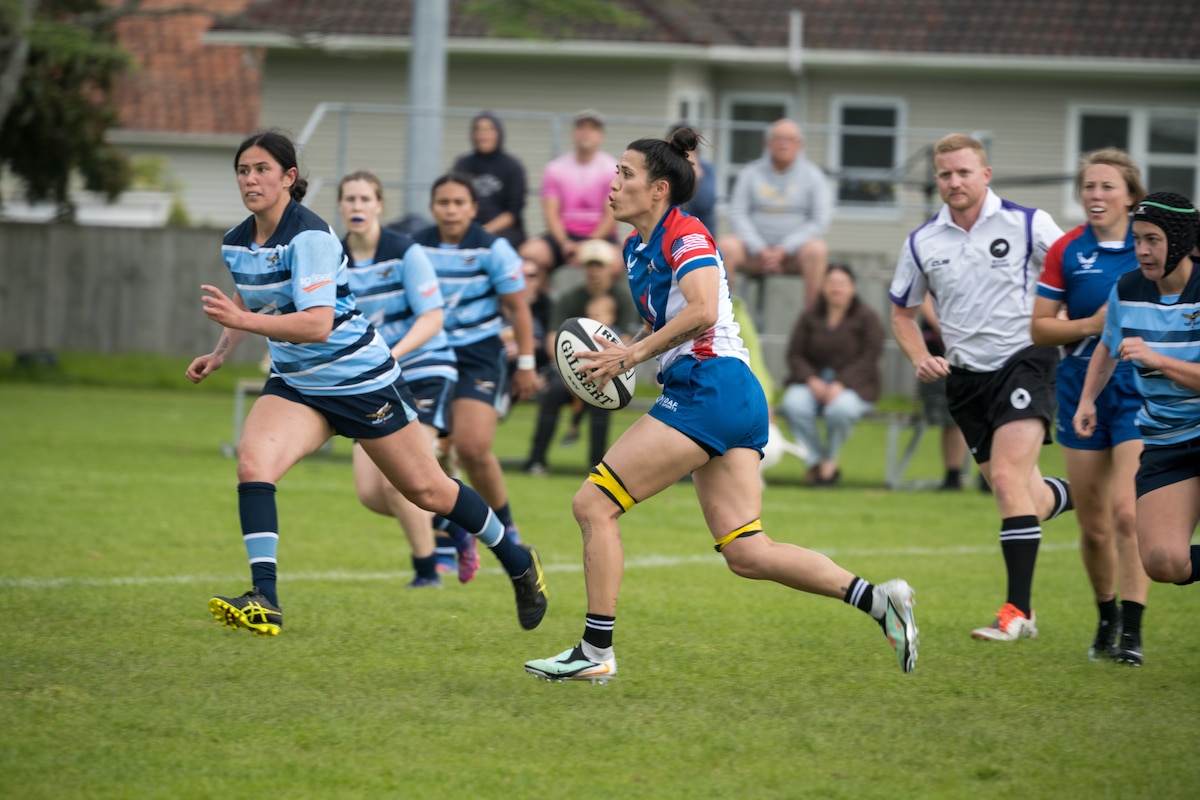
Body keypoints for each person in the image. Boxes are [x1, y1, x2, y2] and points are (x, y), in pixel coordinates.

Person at [524, 127, 918, 684]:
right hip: (729, 395)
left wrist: (632, 355)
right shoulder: (637, 248)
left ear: (659, 189)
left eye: (625, 174)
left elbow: (705, 308)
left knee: (594, 505)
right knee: (747, 551)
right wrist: (627, 349)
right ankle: (879, 601)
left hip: (709, 388)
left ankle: (594, 653)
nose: (612, 185)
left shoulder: (686, 234)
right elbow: (666, 317)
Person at [187, 131, 546, 635]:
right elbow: (250, 299)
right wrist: (220, 352)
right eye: (243, 170)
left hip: (361, 381)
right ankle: (264, 596)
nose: (250, 179)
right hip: (298, 385)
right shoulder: (236, 242)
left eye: (262, 169)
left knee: (428, 490)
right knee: (254, 465)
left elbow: (316, 323)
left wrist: (242, 327)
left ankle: (517, 559)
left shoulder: (310, 236)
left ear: (289, 178)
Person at [889, 133, 1074, 643]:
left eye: (964, 172)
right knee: (1022, 495)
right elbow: (902, 315)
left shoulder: (1029, 223)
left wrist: (1072, 323)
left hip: (1026, 362)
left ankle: (1019, 612)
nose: (954, 182)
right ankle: (1087, 495)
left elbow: (1072, 273)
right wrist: (921, 357)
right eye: (945, 174)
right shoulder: (922, 241)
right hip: (966, 381)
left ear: (985, 174)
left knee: (1011, 481)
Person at [1030, 148, 1150, 665]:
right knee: (1095, 524)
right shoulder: (1066, 249)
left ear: (1130, 195)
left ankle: (1133, 633)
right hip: (1082, 384)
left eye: (1107, 186)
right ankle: (1107, 616)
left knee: (1129, 513)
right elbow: (1039, 328)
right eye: (1089, 187)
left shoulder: (1151, 248)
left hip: (1142, 387)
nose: (1096, 196)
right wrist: (1089, 325)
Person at [1074, 192, 1200, 662]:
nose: (1142, 250)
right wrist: (1089, 398)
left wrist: (1158, 360)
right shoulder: (1127, 288)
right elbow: (1109, 346)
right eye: (1137, 240)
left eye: (1153, 240)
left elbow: (1147, 355)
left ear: (1183, 241)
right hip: (1166, 440)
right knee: (1164, 562)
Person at [337, 169, 479, 587]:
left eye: (365, 199)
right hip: (373, 380)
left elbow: (433, 318)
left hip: (424, 369)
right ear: (342, 206)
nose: (357, 206)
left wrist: (391, 354)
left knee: (401, 484)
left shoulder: (405, 252)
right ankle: (456, 521)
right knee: (370, 493)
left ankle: (427, 573)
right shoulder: (333, 259)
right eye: (350, 199)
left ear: (379, 204)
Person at [413, 173, 542, 544]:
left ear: (473, 208)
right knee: (425, 454)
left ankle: (507, 529)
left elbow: (518, 308)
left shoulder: (493, 248)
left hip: (478, 355)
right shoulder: (415, 248)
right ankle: (445, 537)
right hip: (429, 354)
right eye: (443, 203)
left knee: (472, 448)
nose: (451, 210)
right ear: (432, 207)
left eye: (458, 203)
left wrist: (527, 365)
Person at [524, 238, 640, 475]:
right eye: (589, 265)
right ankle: (536, 460)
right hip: (569, 369)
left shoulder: (623, 298)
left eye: (599, 265)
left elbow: (628, 343)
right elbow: (551, 341)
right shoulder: (570, 299)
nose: (594, 271)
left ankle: (597, 464)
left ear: (610, 267)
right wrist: (572, 370)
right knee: (553, 393)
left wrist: (598, 366)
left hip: (609, 371)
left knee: (602, 393)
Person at [779, 264, 883, 487]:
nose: (836, 289)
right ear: (823, 287)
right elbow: (795, 354)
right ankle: (817, 461)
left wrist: (842, 383)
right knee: (793, 404)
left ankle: (829, 460)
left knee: (840, 410)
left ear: (852, 287)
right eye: (831, 283)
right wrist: (811, 380)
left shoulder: (867, 317)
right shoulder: (810, 315)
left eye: (842, 284)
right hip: (812, 382)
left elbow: (870, 356)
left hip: (855, 385)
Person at [717, 118, 831, 308]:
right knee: (726, 245)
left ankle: (812, 322)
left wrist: (784, 248)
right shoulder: (750, 173)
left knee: (817, 250)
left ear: (800, 144)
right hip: (753, 253)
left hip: (794, 255)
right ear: (767, 143)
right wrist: (760, 248)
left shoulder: (814, 176)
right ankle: (717, 318)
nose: (784, 144)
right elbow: (737, 213)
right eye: (778, 138)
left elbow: (820, 221)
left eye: (790, 139)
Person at [518, 109, 617, 278]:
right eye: (581, 127)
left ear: (601, 136)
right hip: (564, 237)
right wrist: (564, 243)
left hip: (599, 237)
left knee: (616, 264)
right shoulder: (555, 169)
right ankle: (545, 300)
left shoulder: (612, 169)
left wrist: (586, 245)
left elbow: (611, 216)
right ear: (573, 134)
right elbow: (550, 214)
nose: (586, 133)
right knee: (529, 254)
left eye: (592, 128)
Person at [452, 111, 528, 247]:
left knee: (490, 244)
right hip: (466, 226)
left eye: (489, 129)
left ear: (499, 133)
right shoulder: (462, 165)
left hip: (504, 230)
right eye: (478, 129)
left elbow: (512, 213)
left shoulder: (512, 166)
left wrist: (483, 231)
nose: (483, 134)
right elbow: (455, 202)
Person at [918, 295, 969, 490]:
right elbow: (922, 297)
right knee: (951, 415)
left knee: (989, 412)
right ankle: (953, 475)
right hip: (938, 353)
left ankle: (988, 477)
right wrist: (948, 330)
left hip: (984, 350)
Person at [670, 122, 717, 234]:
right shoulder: (664, 170)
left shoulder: (706, 169)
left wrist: (694, 173)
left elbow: (705, 204)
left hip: (702, 233)